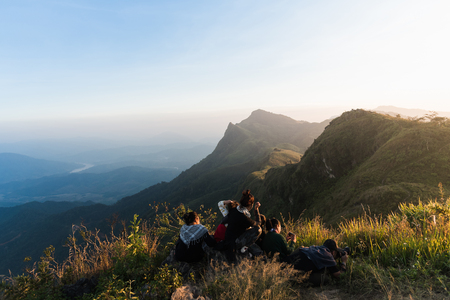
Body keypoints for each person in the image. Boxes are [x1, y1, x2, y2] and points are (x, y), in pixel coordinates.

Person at [222, 190, 262, 261]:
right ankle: (244, 248)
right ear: (250, 205)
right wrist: (256, 209)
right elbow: (258, 223)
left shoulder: (233, 210)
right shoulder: (245, 218)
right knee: (258, 229)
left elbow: (220, 204)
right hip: (235, 243)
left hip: (227, 239)